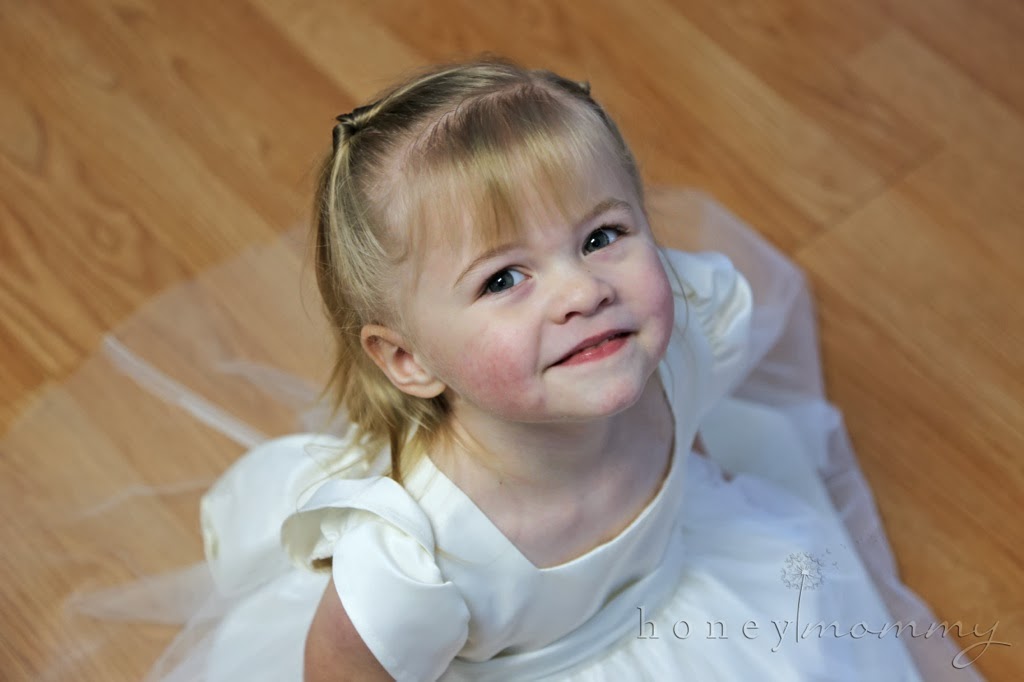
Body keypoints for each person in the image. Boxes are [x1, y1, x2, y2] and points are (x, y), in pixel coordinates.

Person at [25, 59, 984, 680]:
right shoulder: (418, 553)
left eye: (602, 235)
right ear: (408, 359)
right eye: (504, 278)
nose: (582, 291)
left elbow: (684, 431)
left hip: (688, 601)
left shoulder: (680, 339)